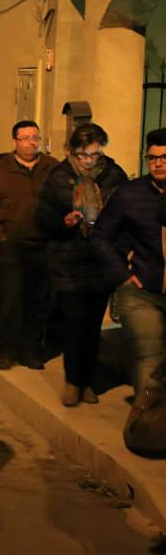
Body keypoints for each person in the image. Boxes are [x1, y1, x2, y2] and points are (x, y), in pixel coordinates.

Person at [36, 123, 126, 406]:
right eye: (83, 154)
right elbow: (43, 216)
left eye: (94, 154)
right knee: (74, 324)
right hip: (68, 261)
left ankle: (89, 381)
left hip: (101, 261)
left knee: (92, 326)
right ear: (72, 151)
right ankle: (73, 381)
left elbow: (126, 214)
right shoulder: (59, 176)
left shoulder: (114, 175)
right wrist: (63, 224)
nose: (88, 160)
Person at [0, 120, 60, 370]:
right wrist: (0, 237)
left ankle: (31, 350)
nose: (30, 142)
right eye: (24, 138)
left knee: (38, 301)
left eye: (34, 137)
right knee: (11, 300)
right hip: (11, 245)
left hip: (44, 243)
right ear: (15, 141)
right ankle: (8, 349)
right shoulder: (0, 170)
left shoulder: (52, 167)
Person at [92, 127, 166, 394]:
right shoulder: (130, 193)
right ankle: (145, 422)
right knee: (149, 356)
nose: (158, 163)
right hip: (140, 290)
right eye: (153, 158)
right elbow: (101, 236)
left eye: (164, 157)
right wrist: (122, 273)